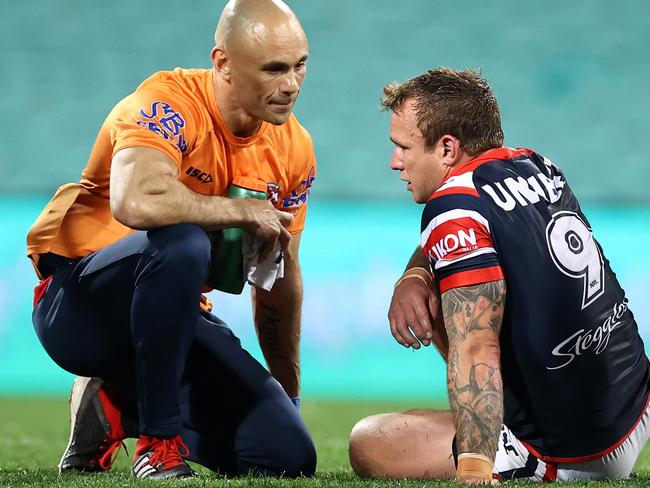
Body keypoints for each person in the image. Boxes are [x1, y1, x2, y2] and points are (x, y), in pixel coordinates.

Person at [27, 0, 317, 480]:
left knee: (286, 457)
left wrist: (290, 395)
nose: (291, 84)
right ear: (222, 62)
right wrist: (241, 212)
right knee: (185, 239)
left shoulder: (294, 150)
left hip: (170, 325)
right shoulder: (167, 103)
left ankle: (117, 406)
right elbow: (136, 200)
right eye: (273, 69)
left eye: (300, 65)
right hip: (79, 308)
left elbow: (278, 281)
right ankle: (158, 443)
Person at [348, 67, 650, 483]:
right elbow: (468, 233)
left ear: (447, 148)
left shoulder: (452, 208)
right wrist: (415, 275)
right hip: (635, 407)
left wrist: (474, 467)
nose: (395, 162)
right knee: (451, 276)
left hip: (572, 449)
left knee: (370, 441)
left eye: (403, 147)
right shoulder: (538, 165)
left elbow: (477, 347)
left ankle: (517, 453)